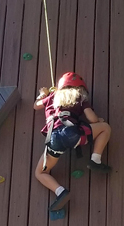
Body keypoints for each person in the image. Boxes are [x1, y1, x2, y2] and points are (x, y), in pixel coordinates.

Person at [33, 72, 111, 211]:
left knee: (40, 173)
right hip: (72, 134)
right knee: (105, 128)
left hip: (53, 140)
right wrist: (99, 121)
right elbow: (91, 118)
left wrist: (43, 94)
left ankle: (60, 192)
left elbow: (36, 105)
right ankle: (95, 160)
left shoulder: (52, 97)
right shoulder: (80, 97)